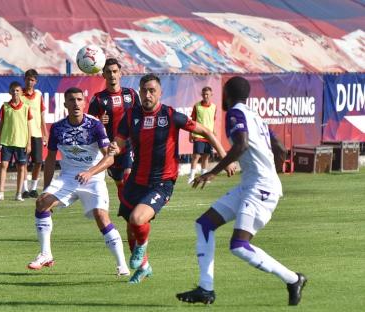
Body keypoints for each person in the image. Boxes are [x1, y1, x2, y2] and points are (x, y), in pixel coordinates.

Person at [176, 76, 307, 306]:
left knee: (239, 245)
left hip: (260, 188)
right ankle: (205, 289)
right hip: (253, 184)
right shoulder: (254, 115)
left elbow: (242, 144)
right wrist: (269, 170)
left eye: (223, 92)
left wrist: (213, 172)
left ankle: (293, 279)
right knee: (204, 224)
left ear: (228, 94)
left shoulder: (236, 113)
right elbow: (280, 149)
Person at [105, 74, 236, 284]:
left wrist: (226, 158)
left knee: (138, 219)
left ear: (160, 93)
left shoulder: (171, 115)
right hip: (136, 181)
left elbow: (206, 132)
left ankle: (142, 250)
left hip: (161, 182)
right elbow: (119, 143)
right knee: (131, 227)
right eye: (144, 90)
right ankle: (145, 267)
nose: (147, 95)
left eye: (152, 91)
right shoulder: (130, 116)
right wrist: (114, 147)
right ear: (139, 92)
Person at [27, 87, 130, 276]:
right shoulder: (57, 127)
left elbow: (110, 158)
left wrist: (90, 172)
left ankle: (122, 264)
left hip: (94, 178)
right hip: (68, 177)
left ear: (84, 103)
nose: (76, 103)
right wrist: (46, 188)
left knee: (101, 216)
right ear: (65, 104)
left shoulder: (95, 125)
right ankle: (45, 254)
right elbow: (50, 159)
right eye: (71, 100)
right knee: (42, 203)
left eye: (79, 99)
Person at [88, 58, 140, 199]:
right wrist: (99, 122)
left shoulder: (131, 94)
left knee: (128, 177)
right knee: (120, 183)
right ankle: (126, 208)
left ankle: (133, 209)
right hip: (109, 147)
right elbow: (88, 126)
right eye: (108, 72)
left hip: (128, 144)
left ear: (120, 73)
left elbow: (140, 117)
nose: (112, 75)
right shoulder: (98, 99)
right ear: (104, 75)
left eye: (115, 71)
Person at [0, 81, 32, 201]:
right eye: (13, 90)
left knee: (21, 167)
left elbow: (29, 126)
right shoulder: (5, 106)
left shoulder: (26, 108)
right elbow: (1, 125)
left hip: (21, 142)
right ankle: (1, 192)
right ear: (9, 92)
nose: (15, 92)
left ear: (21, 92)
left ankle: (18, 193)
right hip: (7, 141)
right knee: (3, 165)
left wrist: (29, 143)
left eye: (17, 90)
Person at [21, 69, 48, 199]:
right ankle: (24, 189)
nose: (29, 82)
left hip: (37, 133)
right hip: (22, 134)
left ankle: (33, 188)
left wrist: (45, 133)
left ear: (36, 81)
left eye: (32, 80)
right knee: (23, 163)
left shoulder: (38, 95)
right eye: (27, 79)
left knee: (38, 162)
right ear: (24, 79)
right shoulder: (18, 94)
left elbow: (42, 116)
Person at [188, 86, 217, 184]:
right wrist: (190, 134)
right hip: (198, 135)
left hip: (209, 136)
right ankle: (191, 177)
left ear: (211, 95)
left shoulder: (214, 107)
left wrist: (214, 132)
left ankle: (204, 178)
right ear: (202, 95)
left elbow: (213, 120)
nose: (206, 96)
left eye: (208, 94)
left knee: (206, 157)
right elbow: (192, 121)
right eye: (204, 94)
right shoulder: (197, 106)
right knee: (196, 156)